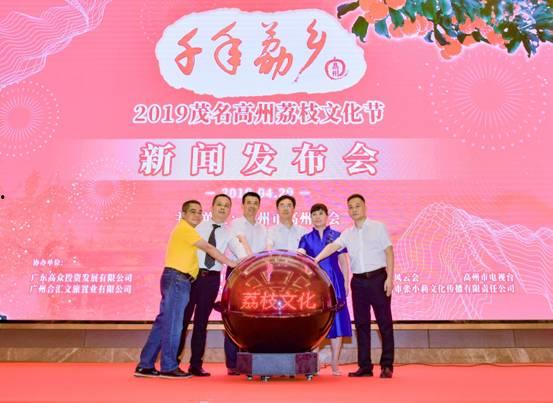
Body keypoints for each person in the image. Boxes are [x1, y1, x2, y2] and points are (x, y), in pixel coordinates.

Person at [134, 200, 237, 379]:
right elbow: (208, 248)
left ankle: (145, 365)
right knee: (174, 324)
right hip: (178, 279)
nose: (197, 215)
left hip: (179, 279)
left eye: (199, 212)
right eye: (192, 212)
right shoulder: (186, 229)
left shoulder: (190, 230)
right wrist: (231, 263)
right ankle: (169, 367)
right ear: (183, 214)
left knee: (163, 323)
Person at [314, 194, 395, 379]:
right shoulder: (347, 233)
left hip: (378, 279)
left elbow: (389, 252)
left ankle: (387, 365)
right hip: (358, 282)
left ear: (364, 207)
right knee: (361, 325)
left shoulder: (378, 227)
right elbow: (333, 247)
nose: (354, 209)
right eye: (350, 207)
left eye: (357, 206)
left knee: (384, 323)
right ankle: (365, 367)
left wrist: (390, 278)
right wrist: (316, 259)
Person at [177, 194, 246, 377]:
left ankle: (195, 365)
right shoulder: (198, 225)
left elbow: (241, 253)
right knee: (182, 320)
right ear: (212, 207)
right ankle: (173, 362)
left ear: (229, 210)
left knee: (201, 323)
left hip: (211, 280)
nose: (222, 208)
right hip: (191, 276)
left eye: (226, 206)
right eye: (219, 205)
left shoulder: (229, 232)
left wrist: (247, 261)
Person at [298, 203, 352, 376]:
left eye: (320, 213)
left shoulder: (336, 235)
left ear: (327, 216)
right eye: (314, 214)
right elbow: (301, 254)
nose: (317, 217)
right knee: (316, 324)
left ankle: (335, 363)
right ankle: (314, 362)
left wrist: (346, 282)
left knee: (337, 321)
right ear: (310, 218)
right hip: (314, 284)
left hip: (335, 282)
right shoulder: (306, 238)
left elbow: (343, 261)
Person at [224, 191, 267, 375]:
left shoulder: (263, 228)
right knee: (234, 316)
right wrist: (251, 261)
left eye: (255, 203)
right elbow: (239, 248)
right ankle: (233, 363)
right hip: (238, 272)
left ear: (259, 206)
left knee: (255, 319)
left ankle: (251, 362)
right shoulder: (235, 225)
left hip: (257, 276)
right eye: (248, 202)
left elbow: (264, 253)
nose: (252, 206)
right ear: (242, 205)